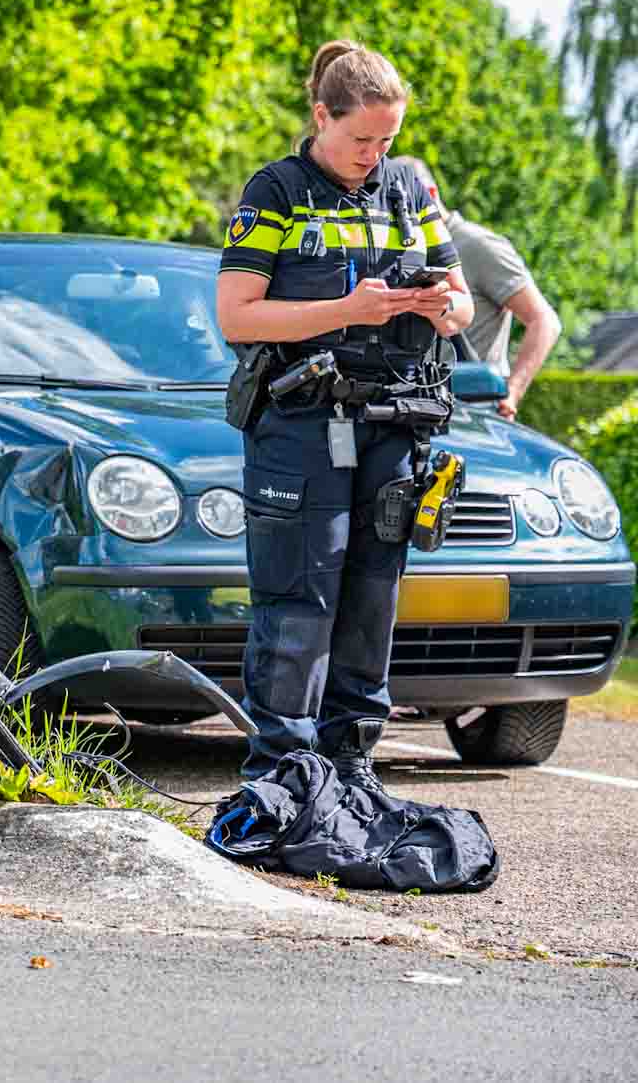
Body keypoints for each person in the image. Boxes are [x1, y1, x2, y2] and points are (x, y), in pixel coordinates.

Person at [215, 40, 474, 792]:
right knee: (301, 602)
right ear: (321, 115)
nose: (375, 153)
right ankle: (283, 776)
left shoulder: (410, 189)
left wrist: (441, 305)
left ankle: (352, 770)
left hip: (395, 425)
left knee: (370, 602)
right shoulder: (277, 191)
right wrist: (347, 309)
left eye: (387, 140)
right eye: (362, 138)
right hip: (300, 427)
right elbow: (238, 316)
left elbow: (460, 301)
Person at [401, 158, 563, 421]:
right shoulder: (408, 252)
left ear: (431, 194)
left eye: (407, 206)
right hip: (424, 406)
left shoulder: (477, 245)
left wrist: (512, 392)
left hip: (477, 409)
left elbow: (544, 321)